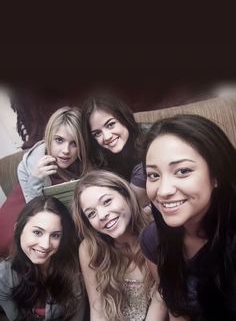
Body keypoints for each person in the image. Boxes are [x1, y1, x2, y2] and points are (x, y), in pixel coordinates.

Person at [140, 114, 236, 320]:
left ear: (216, 176)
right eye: (154, 175)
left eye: (183, 171)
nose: (163, 191)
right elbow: (176, 308)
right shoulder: (153, 239)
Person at [72, 169, 159, 321]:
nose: (102, 215)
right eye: (91, 213)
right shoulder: (89, 249)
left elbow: (165, 297)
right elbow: (97, 310)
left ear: (125, 194)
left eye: (107, 201)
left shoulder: (155, 232)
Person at [0, 196, 88, 320]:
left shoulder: (74, 268)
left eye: (55, 235)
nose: (46, 245)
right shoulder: (4, 276)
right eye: (37, 232)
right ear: (18, 230)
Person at [81, 92, 149, 207]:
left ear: (124, 118)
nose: (107, 137)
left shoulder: (151, 140)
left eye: (110, 124)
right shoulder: (99, 159)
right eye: (97, 134)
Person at [18, 106, 88, 203]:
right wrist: (35, 180)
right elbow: (34, 211)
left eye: (74, 143)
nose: (66, 150)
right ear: (48, 138)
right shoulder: (26, 167)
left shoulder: (88, 157)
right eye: (59, 140)